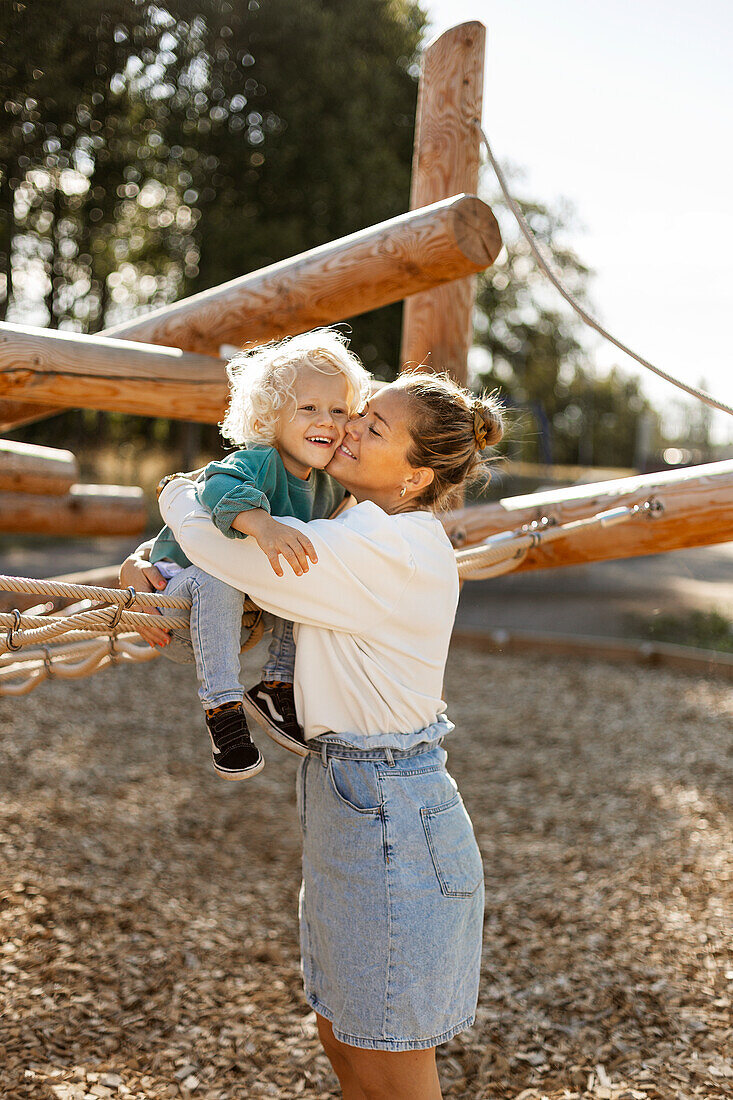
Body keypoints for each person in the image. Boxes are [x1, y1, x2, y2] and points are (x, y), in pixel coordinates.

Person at [121, 364, 503, 1100]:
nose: (350, 429)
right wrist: (151, 560)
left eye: (374, 427)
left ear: (417, 478)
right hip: (355, 795)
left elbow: (227, 551)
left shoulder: (385, 549)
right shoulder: (353, 524)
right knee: (344, 1034)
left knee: (388, 1060)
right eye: (359, 416)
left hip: (389, 808)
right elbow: (232, 562)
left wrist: (175, 494)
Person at [147, 329, 370, 779]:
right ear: (272, 416)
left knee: (308, 560)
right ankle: (223, 712)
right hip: (177, 598)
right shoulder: (260, 460)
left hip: (238, 621)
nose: (325, 420)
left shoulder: (329, 484)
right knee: (222, 575)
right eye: (308, 408)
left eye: (338, 410)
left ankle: (276, 684)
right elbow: (216, 486)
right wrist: (262, 525)